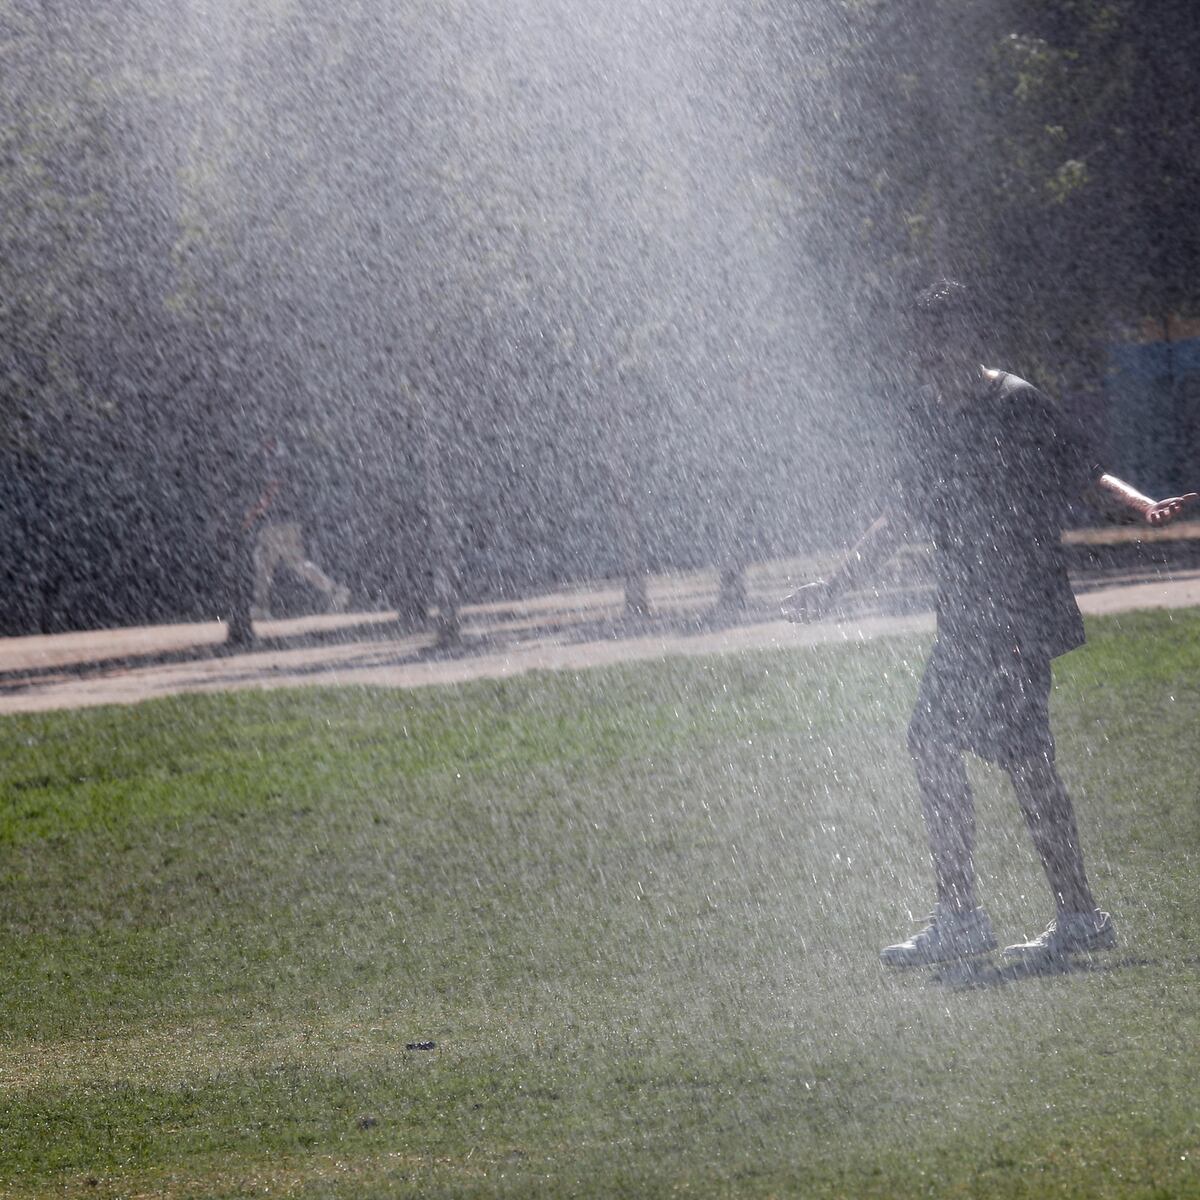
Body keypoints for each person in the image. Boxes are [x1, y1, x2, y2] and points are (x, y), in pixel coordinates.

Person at [783, 279, 1197, 967]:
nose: (927, 357)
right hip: (966, 618)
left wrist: (1142, 506)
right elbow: (902, 517)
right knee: (933, 742)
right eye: (919, 345)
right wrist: (835, 587)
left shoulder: (1015, 403)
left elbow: (1086, 473)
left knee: (1026, 764)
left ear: (966, 338)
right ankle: (967, 915)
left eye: (938, 341)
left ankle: (1076, 913)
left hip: (1021, 616)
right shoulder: (927, 416)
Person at [244, 435, 351, 622]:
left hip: (279, 520)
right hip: (284, 519)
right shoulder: (283, 454)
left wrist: (254, 513)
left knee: (271, 561)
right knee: (283, 563)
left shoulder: (278, 458)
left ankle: (261, 607)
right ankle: (334, 591)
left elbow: (273, 488)